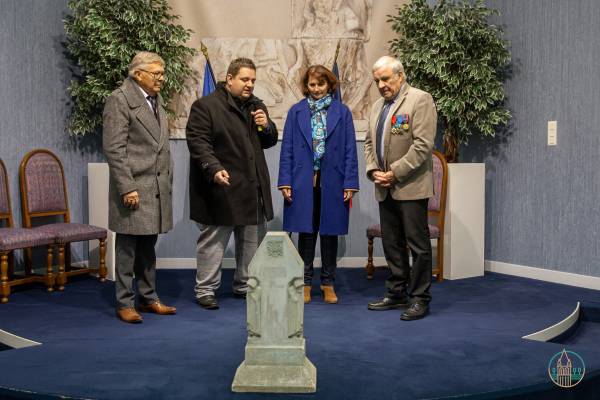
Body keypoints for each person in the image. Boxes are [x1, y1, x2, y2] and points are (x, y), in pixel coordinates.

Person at [186, 58, 278, 310]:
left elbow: (269, 141)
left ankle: (244, 284)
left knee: (251, 240)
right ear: (229, 79)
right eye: (245, 79)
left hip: (252, 186)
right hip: (222, 186)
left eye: (253, 80)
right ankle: (205, 289)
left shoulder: (256, 106)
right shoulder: (205, 106)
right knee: (214, 242)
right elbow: (198, 143)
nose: (250, 84)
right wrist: (214, 169)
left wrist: (266, 126)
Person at [103, 51, 177, 323]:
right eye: (156, 73)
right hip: (134, 187)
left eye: (162, 73)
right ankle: (124, 302)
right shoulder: (119, 100)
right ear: (138, 74)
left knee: (148, 246)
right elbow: (114, 148)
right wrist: (126, 187)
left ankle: (149, 298)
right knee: (127, 248)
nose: (162, 78)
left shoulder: (156, 101)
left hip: (155, 186)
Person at [364, 56, 437, 321]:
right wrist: (374, 171)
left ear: (400, 76)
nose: (381, 85)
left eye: (385, 79)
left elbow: (422, 145)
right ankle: (396, 293)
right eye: (377, 81)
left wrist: (394, 173)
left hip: (410, 186)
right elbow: (369, 144)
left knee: (417, 246)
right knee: (392, 243)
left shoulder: (420, 99)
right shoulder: (375, 107)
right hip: (384, 186)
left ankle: (419, 298)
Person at [278, 65, 359, 304]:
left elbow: (350, 150)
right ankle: (304, 282)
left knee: (330, 233)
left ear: (329, 85)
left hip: (333, 180)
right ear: (306, 86)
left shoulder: (342, 112)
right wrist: (285, 180)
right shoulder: (296, 112)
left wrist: (350, 182)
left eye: (320, 84)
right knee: (306, 232)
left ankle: (328, 283)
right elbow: (287, 150)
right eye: (312, 85)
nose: (316, 89)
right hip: (302, 180)